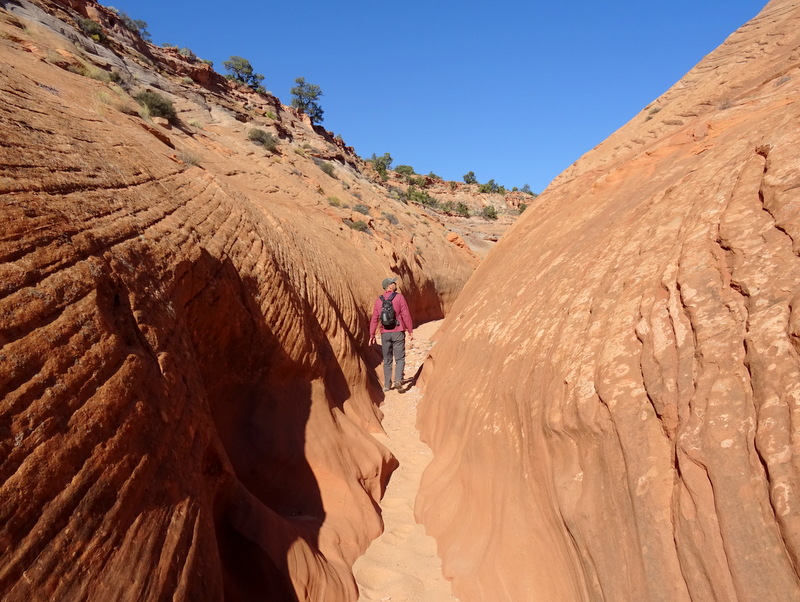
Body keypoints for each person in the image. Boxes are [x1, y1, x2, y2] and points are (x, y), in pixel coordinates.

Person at [369, 276, 414, 392]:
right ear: (389, 286)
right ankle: (398, 380)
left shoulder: (379, 300)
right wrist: (410, 330)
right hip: (398, 332)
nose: (395, 284)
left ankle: (387, 385)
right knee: (399, 358)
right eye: (393, 283)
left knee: (387, 359)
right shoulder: (399, 298)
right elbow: (406, 315)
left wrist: (372, 335)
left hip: (385, 333)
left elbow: (374, 318)